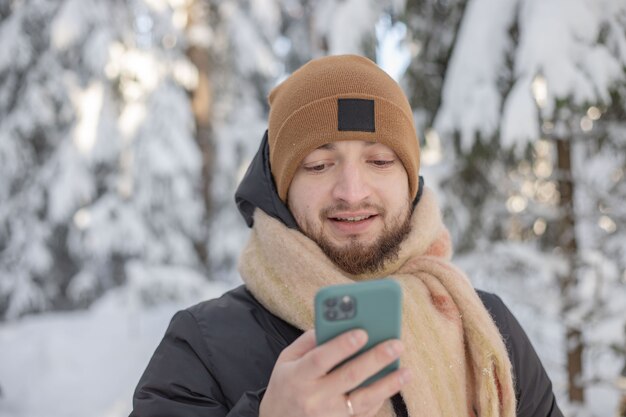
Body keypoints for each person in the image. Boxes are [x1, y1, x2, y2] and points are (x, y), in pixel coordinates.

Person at [130, 55, 563, 417]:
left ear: (411, 182)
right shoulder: (203, 345)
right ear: (282, 188)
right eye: (318, 165)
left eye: (379, 161)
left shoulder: (484, 325)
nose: (352, 193)